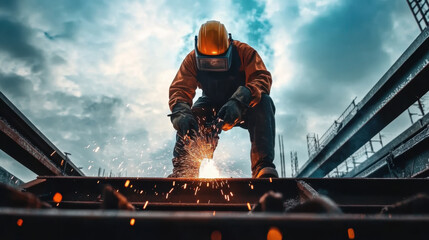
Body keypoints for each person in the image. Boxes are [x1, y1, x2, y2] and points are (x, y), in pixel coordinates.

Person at [168, 20, 278, 178]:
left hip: (244, 102)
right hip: (210, 100)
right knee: (193, 117)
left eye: (219, 61)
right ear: (198, 52)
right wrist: (180, 111)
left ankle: (263, 166)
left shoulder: (244, 52)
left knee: (264, 102)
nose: (213, 65)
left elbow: (261, 79)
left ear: (229, 46)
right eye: (207, 62)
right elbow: (180, 88)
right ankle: (185, 171)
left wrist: (239, 101)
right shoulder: (191, 60)